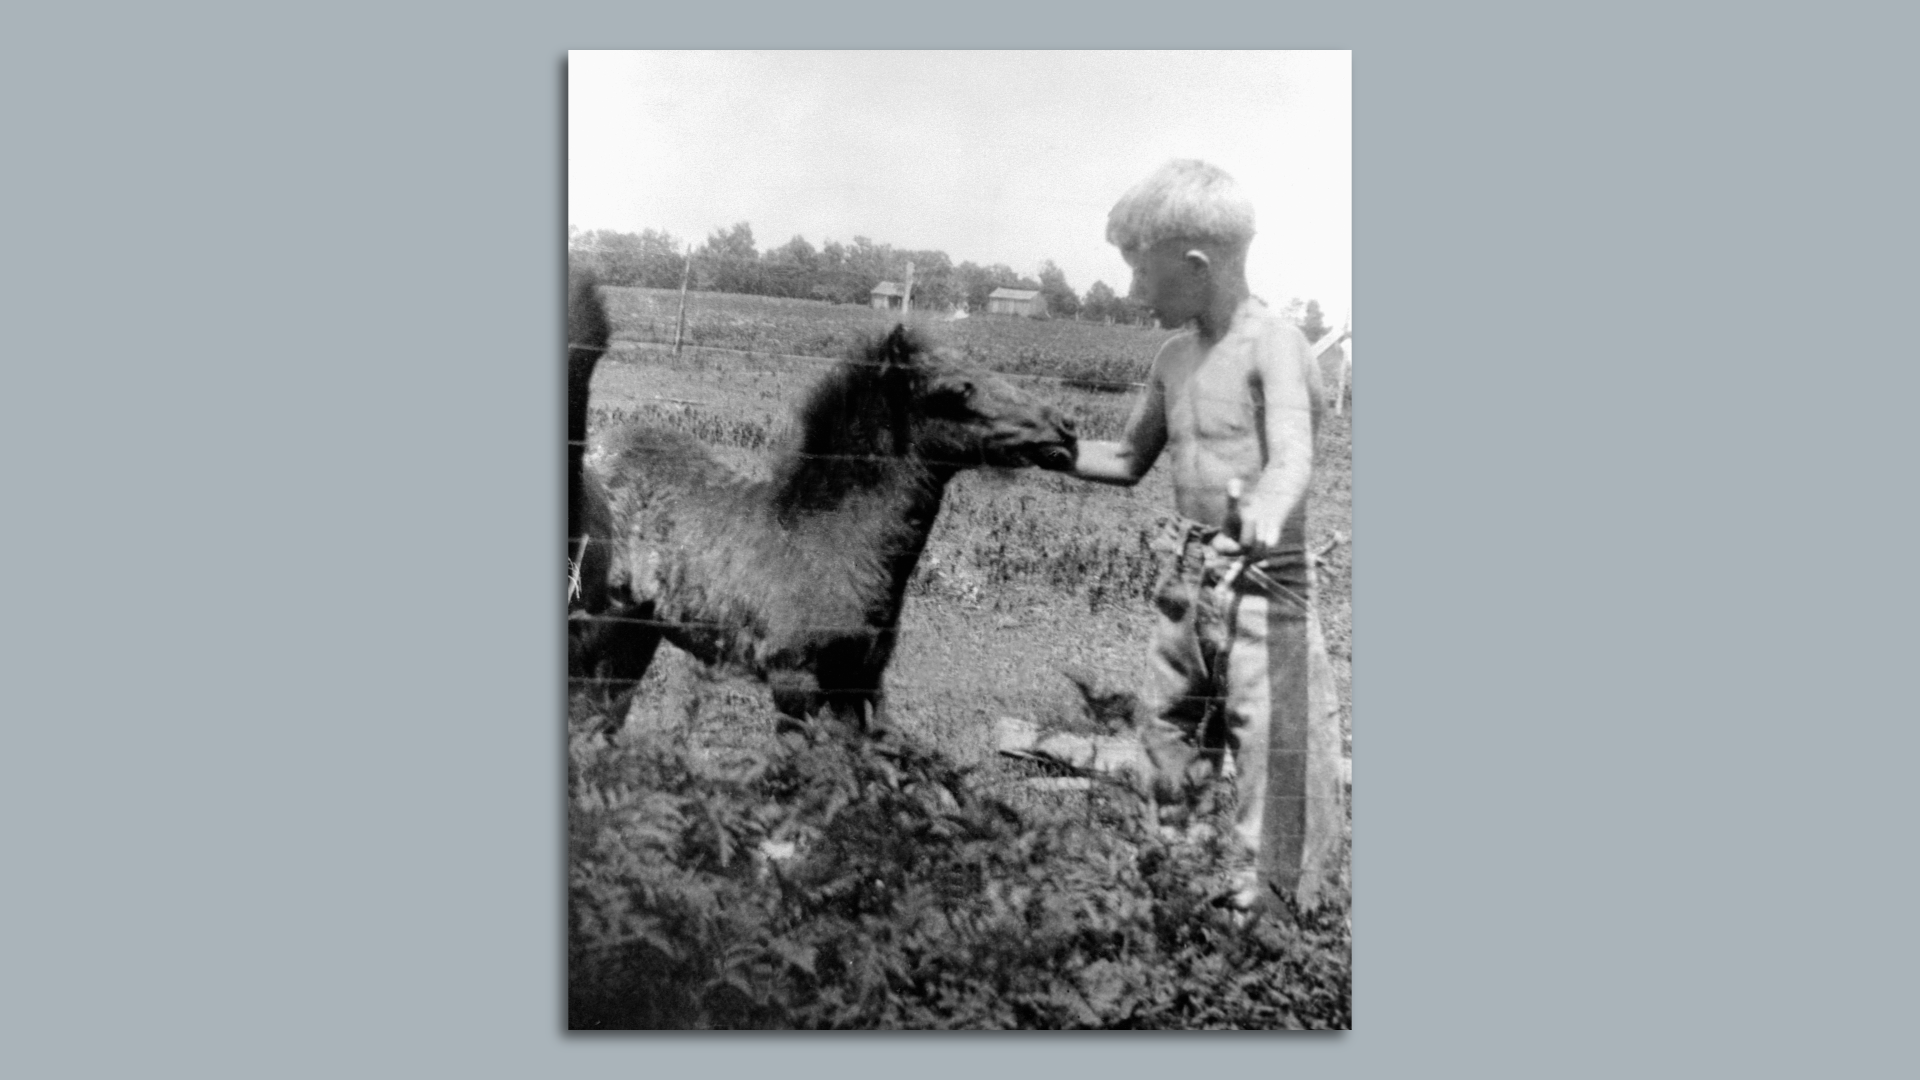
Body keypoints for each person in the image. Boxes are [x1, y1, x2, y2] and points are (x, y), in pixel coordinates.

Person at [1068, 160, 1344, 913]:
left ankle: (1281, 923)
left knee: (1279, 753)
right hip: (1184, 580)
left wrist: (1269, 507)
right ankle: (1178, 898)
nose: (1133, 291)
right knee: (1170, 738)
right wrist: (1033, 443)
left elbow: (1292, 454)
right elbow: (1125, 459)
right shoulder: (1173, 358)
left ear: (1196, 263)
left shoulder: (1274, 344)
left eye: (1140, 270)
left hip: (1263, 579)